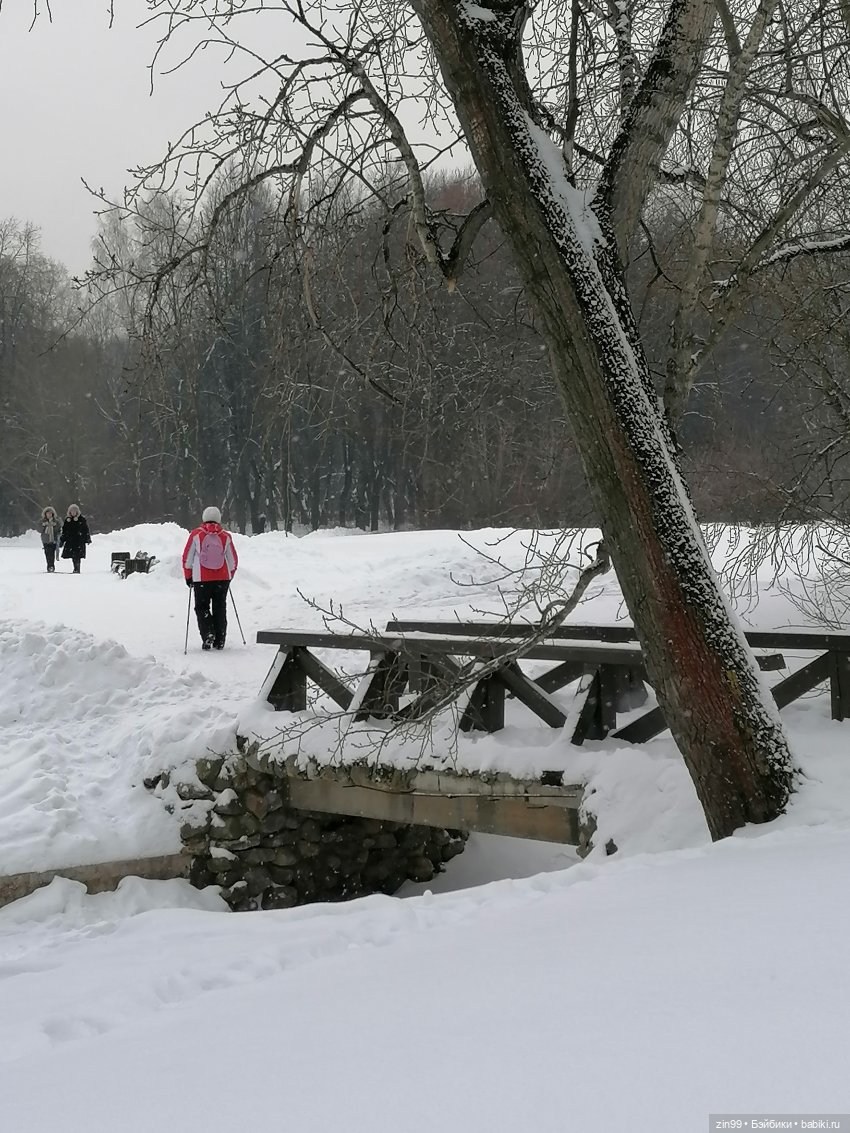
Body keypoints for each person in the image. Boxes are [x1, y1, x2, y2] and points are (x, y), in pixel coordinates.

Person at [182, 506, 238, 650]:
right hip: (222, 579)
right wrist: (229, 576)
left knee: (202, 607)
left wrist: (188, 577)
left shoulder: (196, 535)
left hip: (201, 579)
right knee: (220, 607)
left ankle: (208, 634)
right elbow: (233, 560)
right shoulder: (225, 536)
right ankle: (220, 640)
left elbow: (187, 558)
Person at [60, 503, 91, 573]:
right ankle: (75, 568)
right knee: (73, 556)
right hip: (70, 541)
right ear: (69, 512)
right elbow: (64, 531)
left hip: (79, 541)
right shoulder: (67, 520)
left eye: (74, 511)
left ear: (77, 511)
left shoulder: (81, 519)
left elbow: (86, 529)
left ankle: (77, 568)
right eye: (72, 511)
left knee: (77, 556)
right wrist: (62, 540)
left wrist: (87, 538)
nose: (73, 512)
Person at [39, 505, 61, 572]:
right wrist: (43, 526)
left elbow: (59, 529)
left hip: (53, 539)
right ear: (45, 514)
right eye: (48, 513)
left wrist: (55, 526)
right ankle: (49, 565)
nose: (49, 514)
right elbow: (39, 529)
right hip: (45, 539)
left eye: (50, 513)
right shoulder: (42, 521)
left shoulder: (56, 521)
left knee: (52, 553)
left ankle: (52, 566)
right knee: (47, 553)